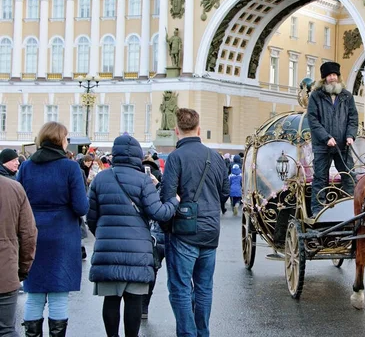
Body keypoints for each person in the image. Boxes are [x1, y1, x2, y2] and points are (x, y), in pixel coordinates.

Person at [86, 134, 178, 337]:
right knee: (134, 299)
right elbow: (158, 213)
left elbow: (91, 217)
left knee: (110, 299)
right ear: (137, 155)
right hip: (138, 250)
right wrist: (174, 202)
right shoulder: (144, 181)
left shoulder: (101, 178)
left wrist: (102, 234)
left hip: (107, 249)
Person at [160, 108, 230, 337]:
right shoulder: (215, 156)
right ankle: (203, 332)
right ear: (199, 129)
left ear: (176, 131)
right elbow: (225, 192)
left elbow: (167, 197)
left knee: (180, 288)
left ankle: (188, 334)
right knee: (204, 288)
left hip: (183, 231)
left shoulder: (175, 158)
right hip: (210, 232)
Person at [17, 121, 89, 336]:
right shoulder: (69, 167)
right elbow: (80, 206)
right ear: (60, 140)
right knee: (58, 295)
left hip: (33, 234)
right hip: (62, 236)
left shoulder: (27, 166)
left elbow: (20, 201)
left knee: (34, 294)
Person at [307, 61, 358, 217]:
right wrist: (326, 137)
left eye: (335, 75)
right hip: (323, 146)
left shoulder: (346, 96)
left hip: (343, 145)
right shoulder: (316, 96)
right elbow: (313, 120)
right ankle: (318, 211)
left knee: (349, 176)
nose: (332, 78)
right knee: (320, 178)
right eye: (329, 75)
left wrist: (350, 135)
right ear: (324, 78)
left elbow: (353, 118)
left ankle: (351, 206)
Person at [0, 177, 37, 337]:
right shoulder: (13, 188)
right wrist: (22, 269)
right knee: (6, 329)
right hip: (5, 271)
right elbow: (28, 235)